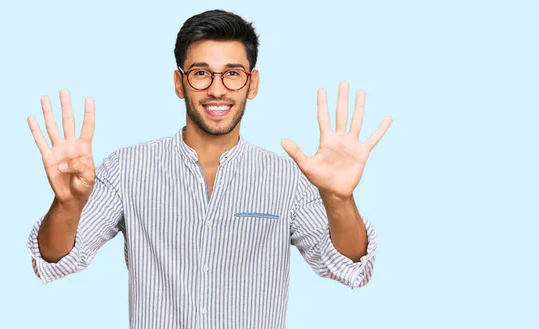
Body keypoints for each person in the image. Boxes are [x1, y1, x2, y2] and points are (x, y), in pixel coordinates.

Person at [26, 9, 392, 329]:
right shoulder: (126, 168)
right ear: (179, 83)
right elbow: (56, 260)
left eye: (233, 73)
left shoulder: (289, 178)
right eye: (201, 73)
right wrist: (68, 205)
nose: (217, 89)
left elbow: (347, 266)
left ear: (253, 83)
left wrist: (339, 199)